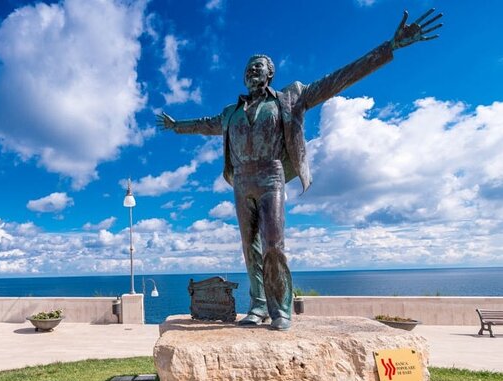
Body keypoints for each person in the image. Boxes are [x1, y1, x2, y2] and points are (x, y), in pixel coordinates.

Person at [157, 9, 442, 330]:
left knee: (274, 246)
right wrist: (176, 126)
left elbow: (338, 79)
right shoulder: (230, 113)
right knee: (249, 249)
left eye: (258, 67)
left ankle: (281, 309)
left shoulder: (289, 98)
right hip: (241, 182)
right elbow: (204, 124)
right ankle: (259, 306)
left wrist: (388, 47)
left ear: (269, 75)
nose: (251, 71)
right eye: (248, 68)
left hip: (271, 176)